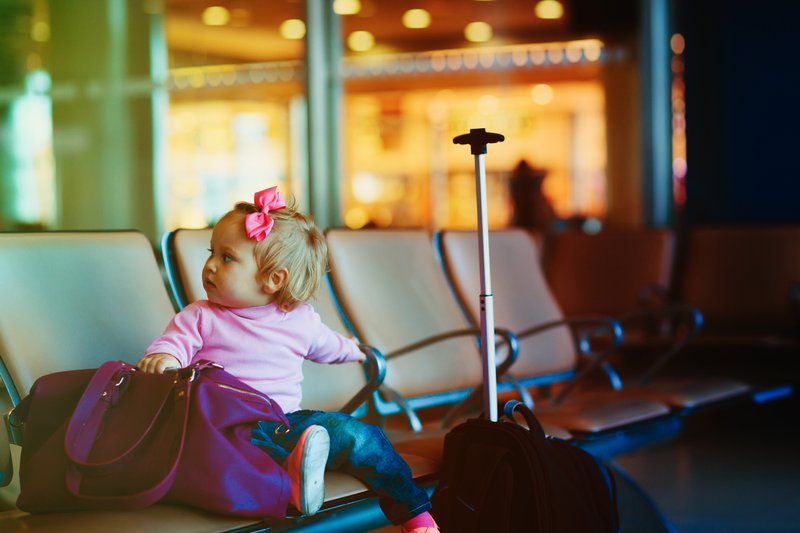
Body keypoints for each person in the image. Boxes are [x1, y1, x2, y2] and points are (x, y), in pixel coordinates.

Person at [138, 186, 438, 533]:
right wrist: (163, 357)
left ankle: (416, 516)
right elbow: (174, 344)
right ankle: (293, 473)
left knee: (359, 436)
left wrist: (356, 350)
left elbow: (328, 345)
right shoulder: (201, 316)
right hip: (224, 429)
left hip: (285, 423)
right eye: (212, 253)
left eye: (226, 257)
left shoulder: (300, 320)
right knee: (237, 455)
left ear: (273, 279)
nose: (209, 266)